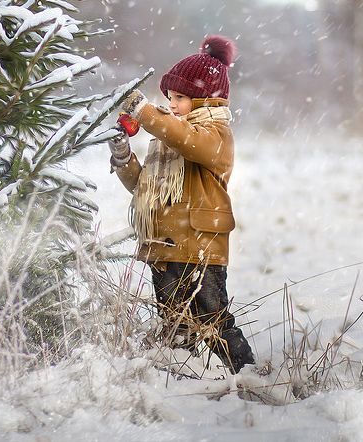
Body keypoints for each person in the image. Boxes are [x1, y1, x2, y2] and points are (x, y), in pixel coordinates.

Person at [108, 35, 255, 373]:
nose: (172, 105)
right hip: (163, 245)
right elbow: (142, 186)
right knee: (176, 326)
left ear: (206, 99)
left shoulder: (214, 136)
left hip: (200, 245)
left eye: (180, 98)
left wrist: (144, 112)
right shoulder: (168, 138)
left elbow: (187, 140)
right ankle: (185, 378)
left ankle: (247, 373)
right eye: (169, 98)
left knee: (214, 320)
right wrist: (123, 155)